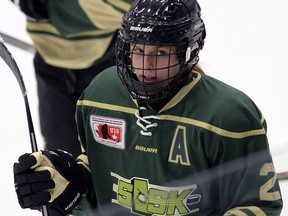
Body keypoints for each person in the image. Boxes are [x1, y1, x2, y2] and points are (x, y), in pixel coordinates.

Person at [13, 0, 283, 215]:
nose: (146, 67)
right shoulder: (100, 95)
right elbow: (101, 178)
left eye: (160, 53)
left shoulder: (228, 117)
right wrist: (69, 181)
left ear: (187, 50)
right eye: (138, 51)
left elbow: (259, 206)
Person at [10, 0, 133, 158]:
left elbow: (134, 7)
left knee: (113, 156)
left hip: (106, 63)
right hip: (50, 61)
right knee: (59, 159)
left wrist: (53, 10)